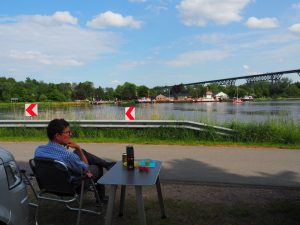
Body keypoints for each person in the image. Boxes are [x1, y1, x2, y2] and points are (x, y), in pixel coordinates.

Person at [34, 118, 115, 203]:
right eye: (68, 132)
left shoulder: (39, 150)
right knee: (97, 167)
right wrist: (79, 148)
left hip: (49, 185)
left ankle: (106, 164)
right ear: (57, 136)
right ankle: (101, 198)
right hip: (71, 187)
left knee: (79, 152)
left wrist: (78, 151)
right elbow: (86, 168)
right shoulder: (68, 156)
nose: (71, 134)